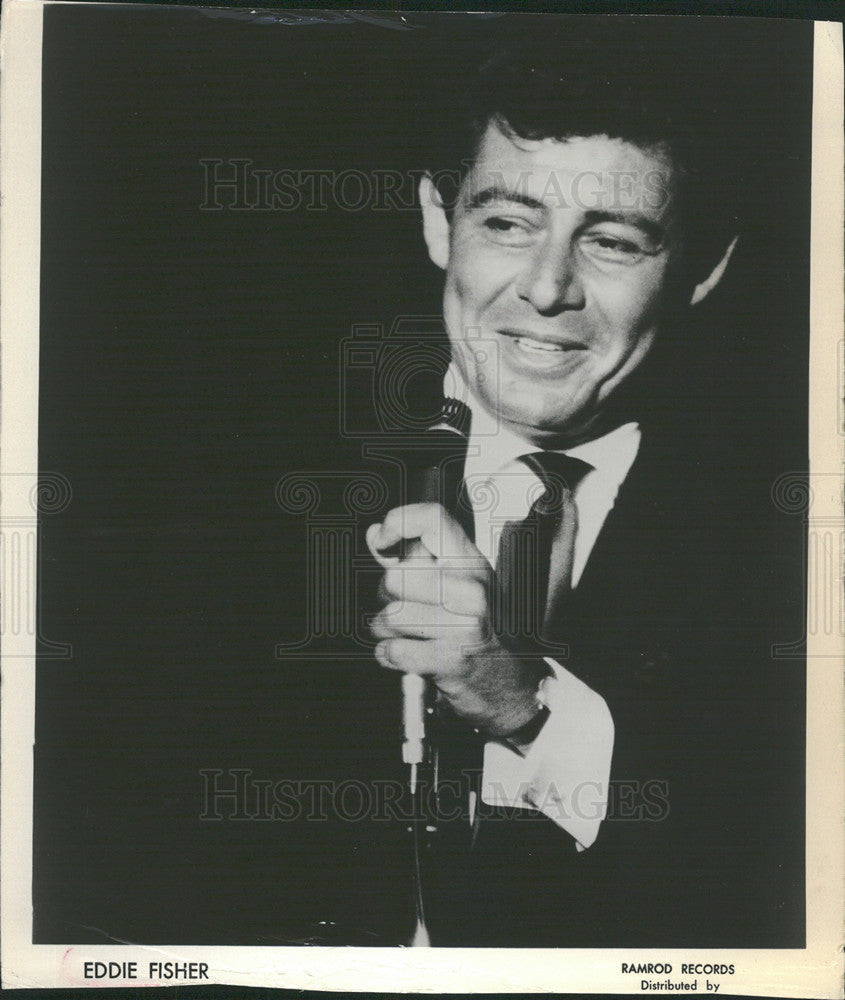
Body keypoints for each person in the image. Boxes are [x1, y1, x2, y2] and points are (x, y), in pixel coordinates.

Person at [355, 26, 805, 947]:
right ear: (441, 223)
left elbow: (782, 897)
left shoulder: (786, 535)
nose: (547, 288)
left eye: (612, 242)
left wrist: (525, 706)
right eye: (507, 224)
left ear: (703, 270)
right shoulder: (215, 489)